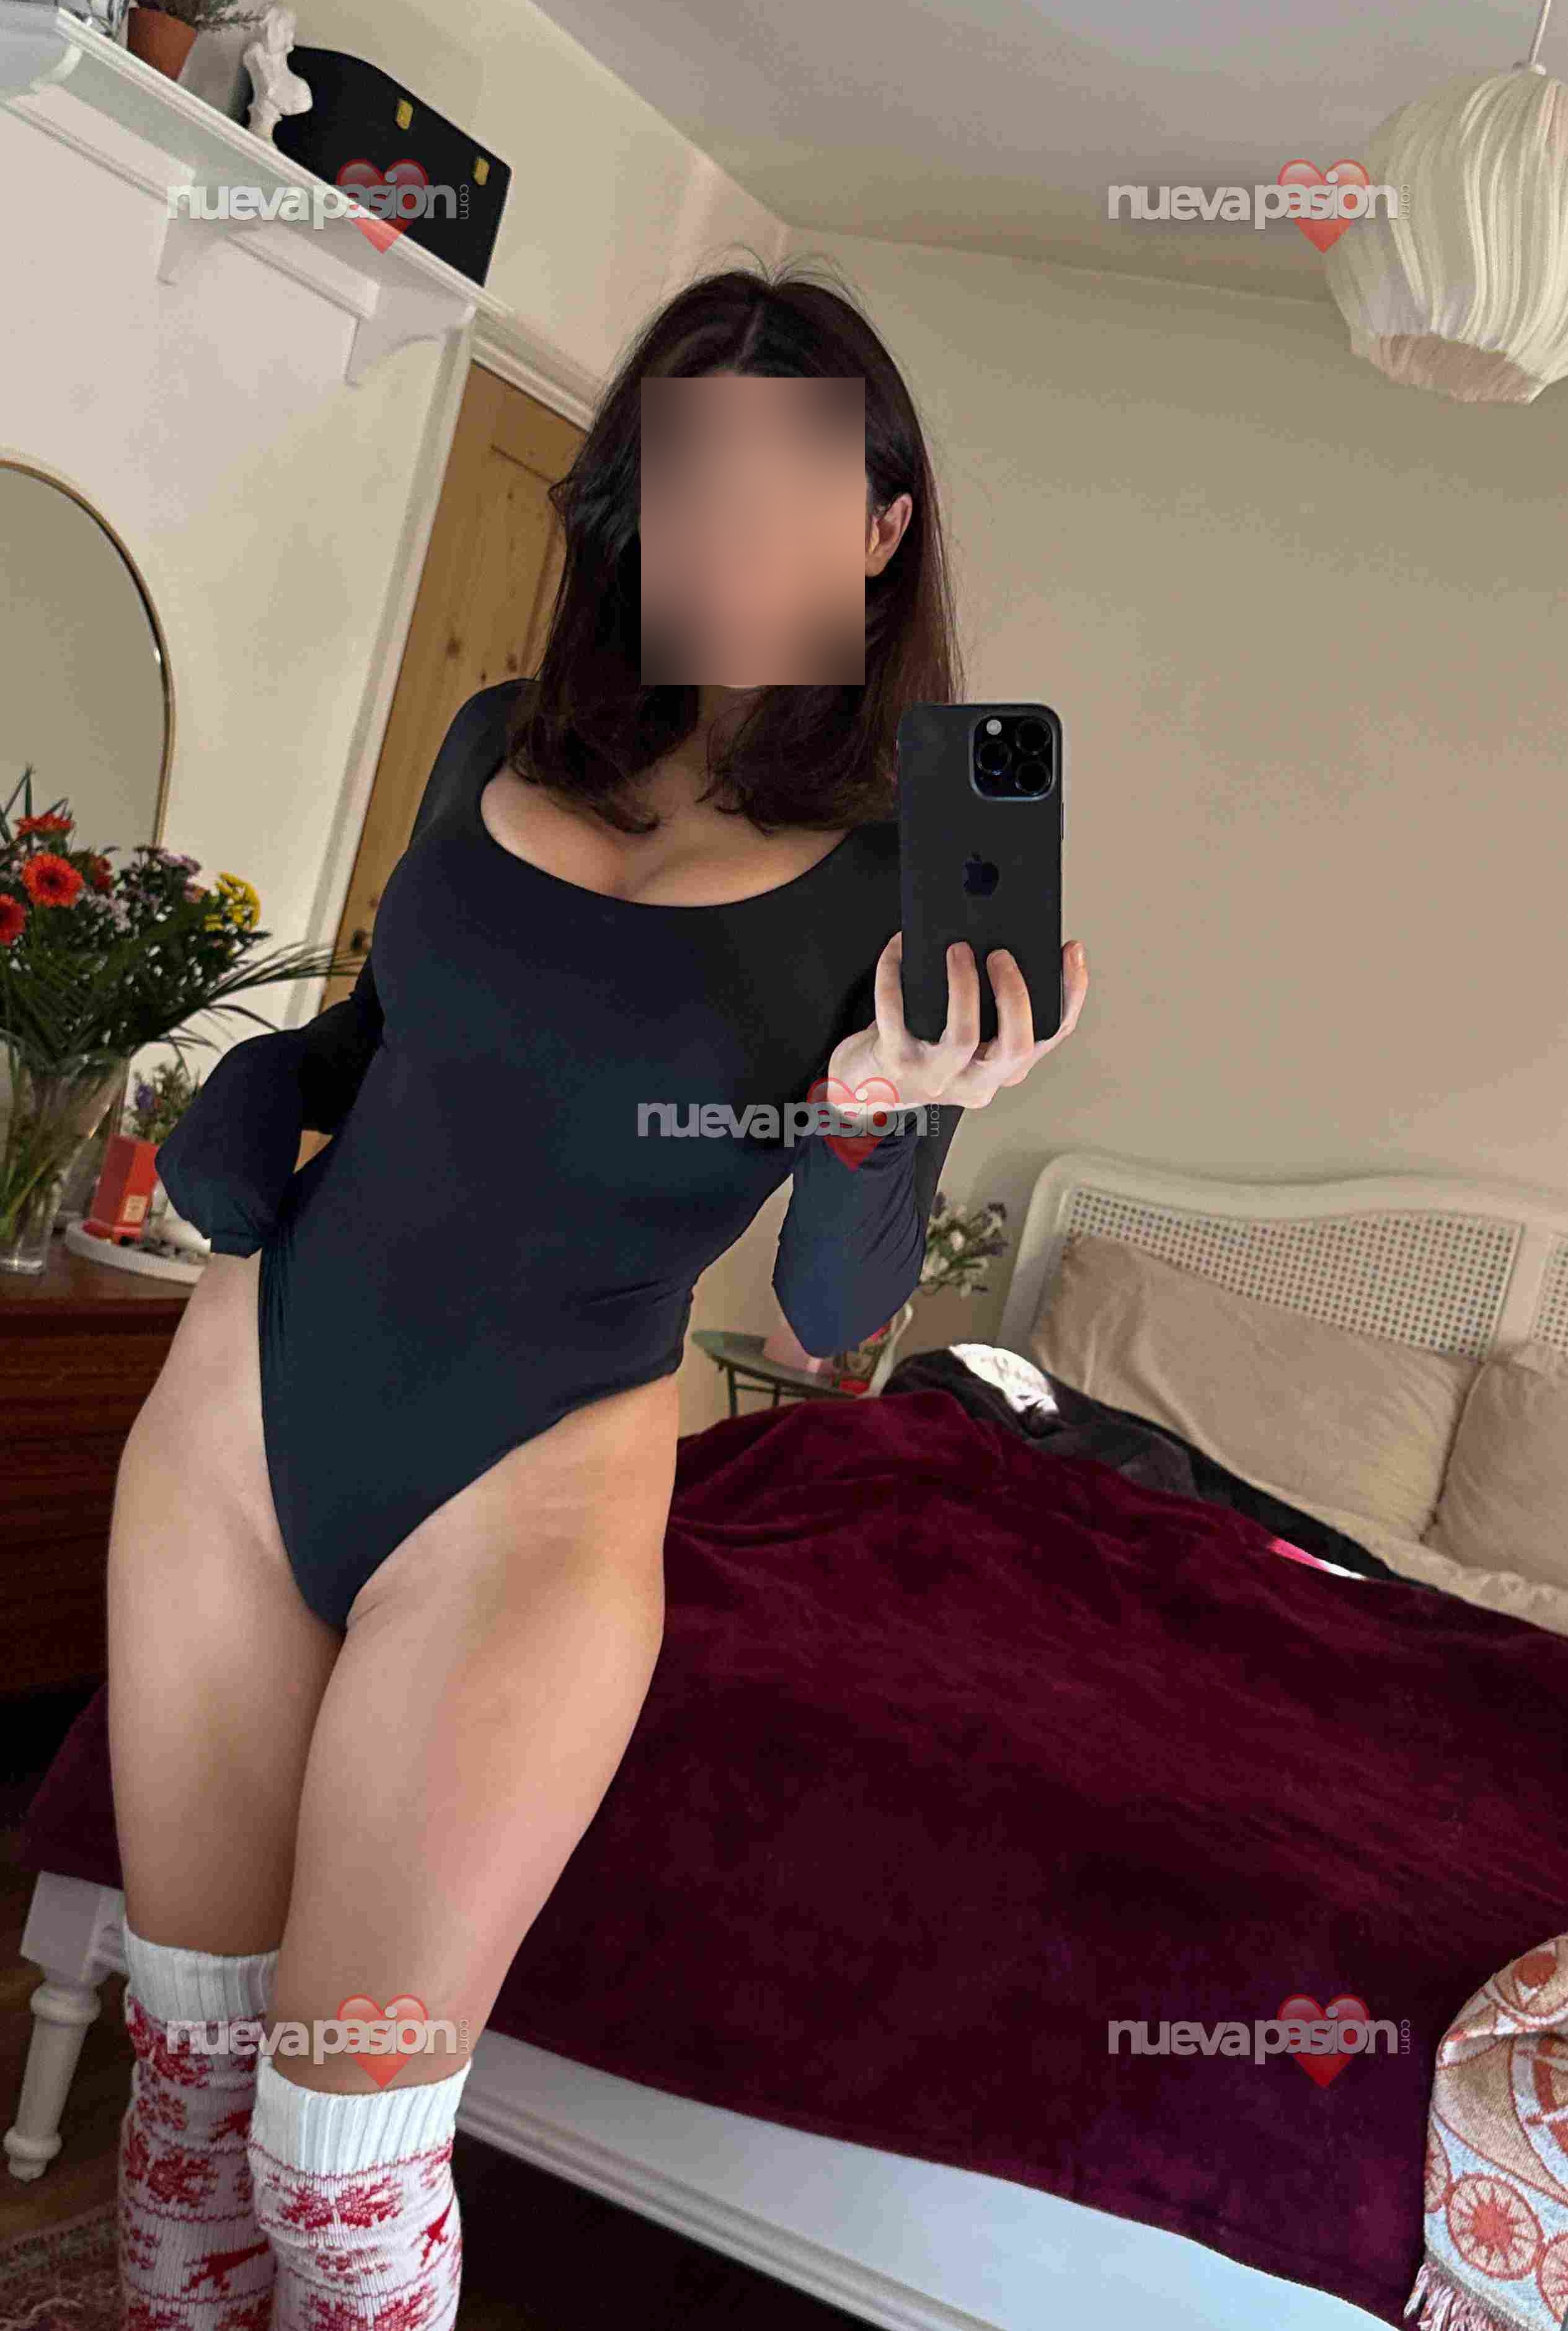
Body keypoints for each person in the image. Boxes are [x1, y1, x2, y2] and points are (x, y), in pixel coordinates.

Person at [108, 252, 1091, 2329]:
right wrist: (260, 1098)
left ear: (879, 528)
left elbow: (829, 1312)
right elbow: (388, 1042)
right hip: (239, 1422)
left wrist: (876, 1114)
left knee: (339, 2177)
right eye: (687, 478)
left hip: (531, 1493)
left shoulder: (903, 871)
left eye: (787, 487)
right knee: (184, 2084)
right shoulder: (497, 741)